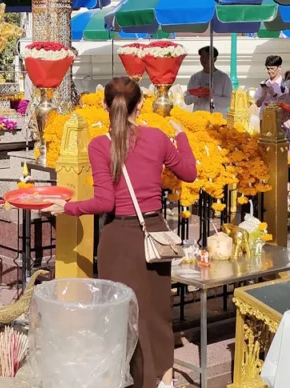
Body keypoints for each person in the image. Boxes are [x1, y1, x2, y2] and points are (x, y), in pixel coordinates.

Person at [45, 76, 196, 388]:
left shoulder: (100, 145)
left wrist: (67, 208)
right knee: (157, 313)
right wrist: (181, 137)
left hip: (119, 239)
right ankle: (165, 381)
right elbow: (190, 173)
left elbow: (105, 201)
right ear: (141, 104)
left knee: (123, 317)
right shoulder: (156, 138)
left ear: (103, 105)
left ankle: (133, 379)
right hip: (153, 234)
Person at [183, 46, 233, 114]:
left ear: (215, 58)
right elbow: (187, 101)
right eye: (202, 57)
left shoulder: (224, 78)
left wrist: (212, 97)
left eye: (208, 57)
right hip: (199, 119)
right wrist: (198, 94)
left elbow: (229, 101)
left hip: (218, 119)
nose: (204, 60)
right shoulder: (194, 78)